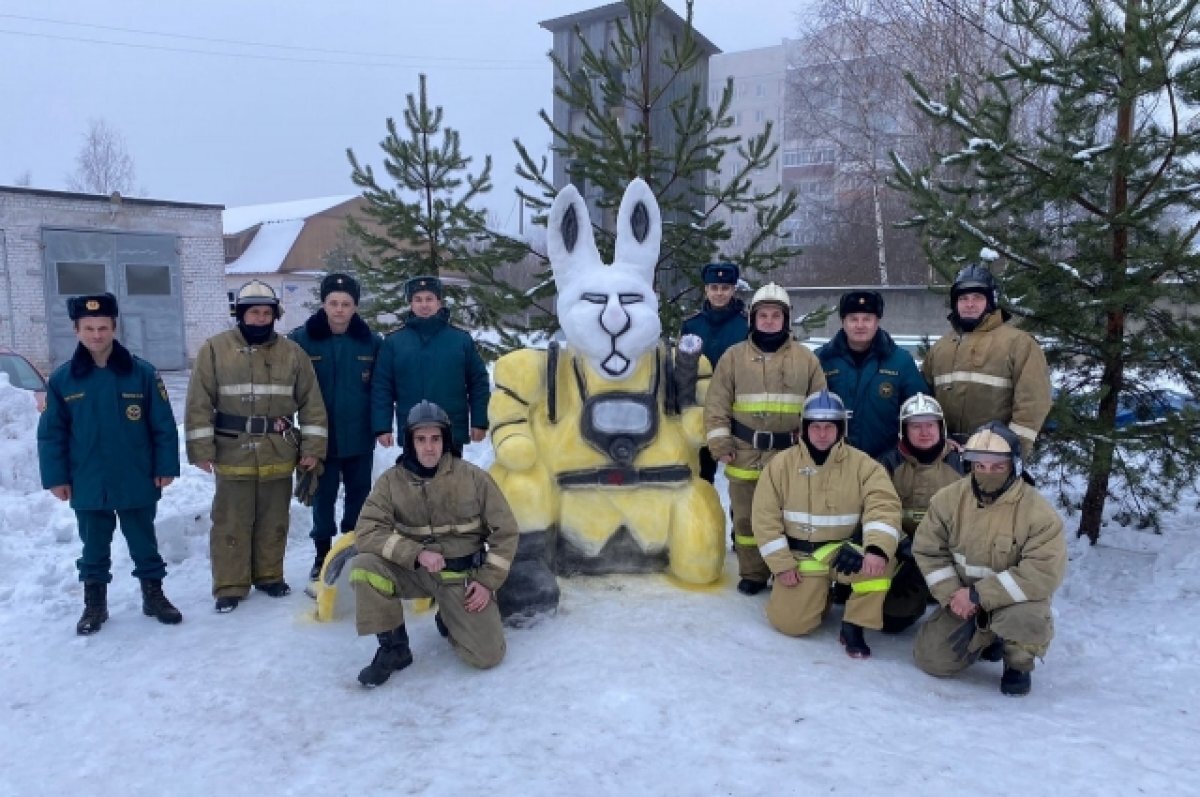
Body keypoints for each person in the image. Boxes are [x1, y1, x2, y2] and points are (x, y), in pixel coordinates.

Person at [37, 292, 182, 634]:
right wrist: (56, 477)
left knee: (144, 541)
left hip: (136, 476)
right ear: (77, 330)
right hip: (88, 479)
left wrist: (165, 467)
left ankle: (154, 595)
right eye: (89, 328)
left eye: (103, 327)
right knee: (93, 546)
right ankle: (94, 605)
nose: (97, 335)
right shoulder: (62, 380)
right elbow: (51, 434)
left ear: (114, 327)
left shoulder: (142, 374)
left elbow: (162, 425)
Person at [349, 400, 519, 687]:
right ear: (410, 442)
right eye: (421, 439)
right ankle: (395, 648)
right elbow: (366, 531)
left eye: (436, 439)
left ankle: (449, 617)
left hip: (462, 579)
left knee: (487, 656)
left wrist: (488, 581)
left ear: (446, 440)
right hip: (416, 573)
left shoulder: (474, 478)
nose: (429, 447)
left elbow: (507, 532)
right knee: (364, 566)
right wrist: (415, 553)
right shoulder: (391, 483)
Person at [185, 279, 327, 613]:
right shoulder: (214, 350)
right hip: (232, 450)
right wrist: (201, 448)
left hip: (278, 451)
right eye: (254, 313)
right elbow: (198, 402)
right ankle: (230, 585)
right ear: (241, 315)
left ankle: (269, 576)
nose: (260, 319)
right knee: (231, 521)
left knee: (274, 519)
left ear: (274, 315)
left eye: (266, 313)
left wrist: (312, 448)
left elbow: (312, 404)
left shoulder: (293, 353)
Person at [912, 422, 1067, 696]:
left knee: (1026, 619)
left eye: (998, 467)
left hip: (1015, 600)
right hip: (963, 598)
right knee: (932, 660)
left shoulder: (1038, 513)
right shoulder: (948, 500)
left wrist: (979, 596)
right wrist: (953, 595)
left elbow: (1043, 573)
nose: (988, 473)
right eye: (980, 466)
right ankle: (987, 635)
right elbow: (928, 551)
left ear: (1014, 465)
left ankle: (1018, 662)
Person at [752, 389, 902, 659]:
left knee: (881, 564)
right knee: (791, 624)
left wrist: (875, 549)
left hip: (844, 551)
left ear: (841, 429)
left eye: (829, 427)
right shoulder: (780, 465)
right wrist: (781, 564)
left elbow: (884, 506)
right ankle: (819, 596)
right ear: (804, 429)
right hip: (799, 557)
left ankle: (854, 624)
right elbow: (764, 518)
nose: (822, 434)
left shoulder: (864, 465)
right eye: (816, 427)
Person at [704, 283, 826, 595]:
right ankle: (753, 572)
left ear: (786, 320)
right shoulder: (733, 358)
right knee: (746, 522)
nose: (769, 321)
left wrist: (813, 449)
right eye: (763, 315)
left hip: (790, 456)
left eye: (776, 315)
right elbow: (716, 404)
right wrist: (720, 443)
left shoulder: (806, 360)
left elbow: (819, 407)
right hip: (744, 453)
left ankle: (784, 570)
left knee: (787, 518)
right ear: (753, 319)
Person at [288, 273, 383, 580]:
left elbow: (381, 389)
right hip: (320, 441)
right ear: (324, 304)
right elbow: (289, 388)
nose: (339, 309)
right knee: (322, 497)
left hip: (359, 437)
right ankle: (321, 554)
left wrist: (380, 426)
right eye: (333, 303)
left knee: (359, 496)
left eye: (346, 304)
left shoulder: (371, 342)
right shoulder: (301, 340)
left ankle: (350, 550)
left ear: (355, 307)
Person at [922, 264, 1051, 457]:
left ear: (991, 302)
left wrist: (1012, 448)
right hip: (946, 453)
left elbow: (1033, 402)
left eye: (977, 298)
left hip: (994, 455)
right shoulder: (941, 348)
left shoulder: (1019, 343)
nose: (969, 304)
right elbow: (924, 398)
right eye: (963, 298)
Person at [371, 275, 490, 458]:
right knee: (415, 484)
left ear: (439, 302)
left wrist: (479, 422)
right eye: (418, 300)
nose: (424, 305)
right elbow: (382, 387)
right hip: (413, 431)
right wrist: (382, 427)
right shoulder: (394, 343)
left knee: (451, 483)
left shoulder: (460, 340)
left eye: (429, 299)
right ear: (410, 303)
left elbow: (478, 383)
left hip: (451, 431)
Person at [876, 393, 965, 633]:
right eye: (916, 426)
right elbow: (876, 512)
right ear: (904, 430)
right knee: (892, 620)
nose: (924, 432)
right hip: (905, 555)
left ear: (941, 428)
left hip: (949, 555)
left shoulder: (962, 464)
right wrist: (906, 549)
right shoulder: (888, 463)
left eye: (930, 425)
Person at [816, 289, 929, 459]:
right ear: (843, 322)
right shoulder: (821, 360)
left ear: (877, 322)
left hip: (885, 463)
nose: (860, 325)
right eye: (853, 319)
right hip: (831, 460)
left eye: (867, 319)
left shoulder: (900, 362)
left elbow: (922, 409)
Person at [680, 261, 748, 482]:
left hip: (737, 406)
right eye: (714, 288)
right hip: (702, 407)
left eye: (725, 288)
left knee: (741, 474)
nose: (719, 293)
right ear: (706, 290)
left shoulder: (746, 326)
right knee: (700, 474)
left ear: (733, 290)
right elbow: (684, 370)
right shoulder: (692, 326)